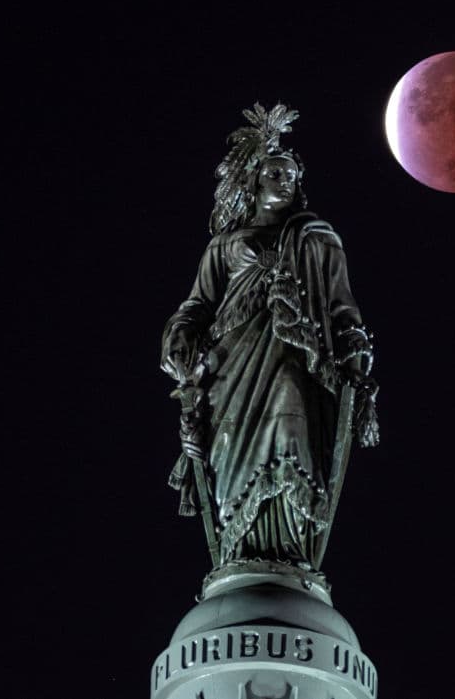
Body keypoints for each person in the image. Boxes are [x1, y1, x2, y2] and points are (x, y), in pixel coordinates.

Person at [160, 103, 378, 570]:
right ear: (254, 180)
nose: (286, 181)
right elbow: (198, 304)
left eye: (292, 175)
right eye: (275, 173)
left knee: (289, 412)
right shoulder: (223, 245)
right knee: (228, 452)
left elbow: (342, 304)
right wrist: (180, 337)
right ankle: (238, 554)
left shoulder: (317, 238)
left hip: (296, 354)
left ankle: (290, 550)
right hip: (230, 364)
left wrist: (354, 344)